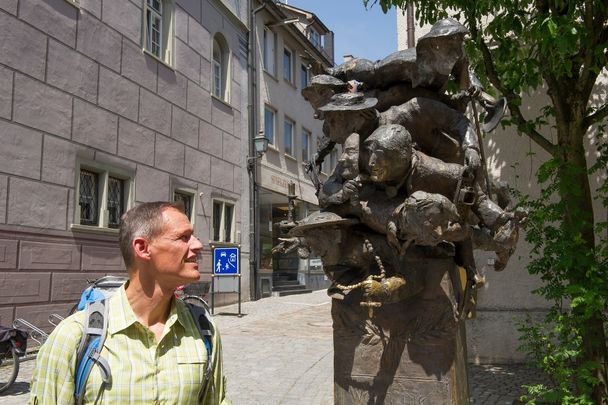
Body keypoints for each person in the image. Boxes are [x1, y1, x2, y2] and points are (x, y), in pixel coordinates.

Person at [29, 202, 230, 404]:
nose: (198, 245)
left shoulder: (204, 329)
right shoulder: (73, 336)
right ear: (142, 248)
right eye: (183, 237)